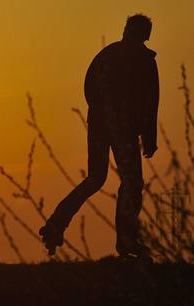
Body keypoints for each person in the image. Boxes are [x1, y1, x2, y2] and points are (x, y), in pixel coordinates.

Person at [39, 14, 159, 259]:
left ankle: (56, 224)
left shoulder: (110, 56)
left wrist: (144, 134)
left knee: (97, 178)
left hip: (103, 126)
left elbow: (94, 90)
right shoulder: (136, 60)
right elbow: (148, 102)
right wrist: (145, 135)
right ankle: (126, 241)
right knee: (130, 182)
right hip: (118, 129)